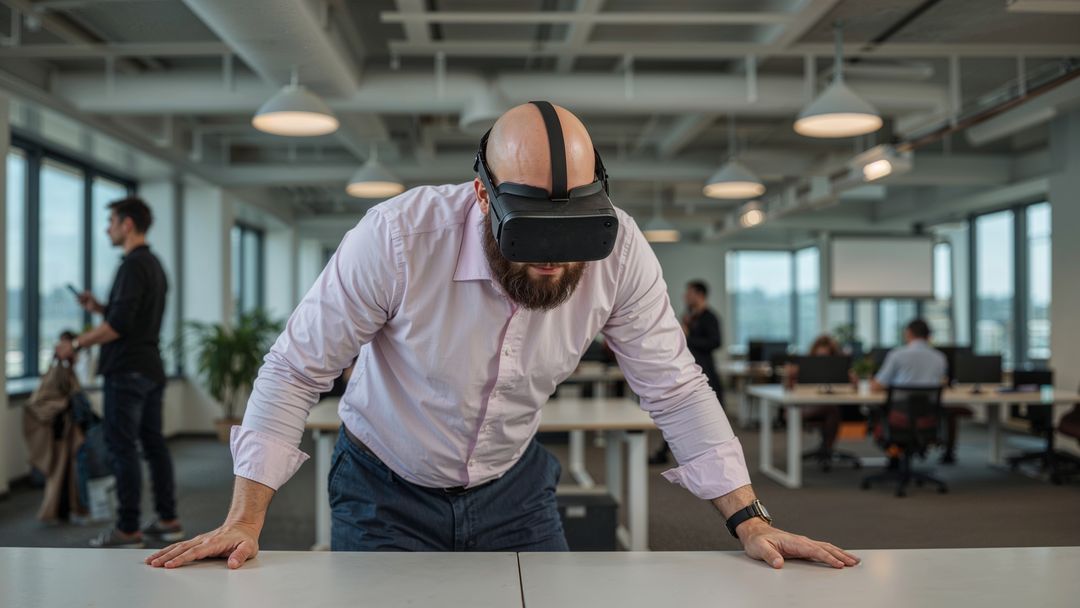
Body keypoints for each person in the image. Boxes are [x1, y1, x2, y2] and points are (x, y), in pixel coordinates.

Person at [147, 102, 858, 571]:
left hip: (512, 487)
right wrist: (245, 518)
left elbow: (674, 387)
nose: (553, 262)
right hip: (382, 487)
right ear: (484, 195)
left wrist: (750, 520)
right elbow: (294, 369)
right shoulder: (399, 237)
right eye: (531, 238)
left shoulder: (622, 250)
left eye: (571, 236)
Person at [55, 197, 180, 548]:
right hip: (150, 368)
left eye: (111, 221)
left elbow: (119, 327)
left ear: (127, 224)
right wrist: (100, 308)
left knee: (122, 448)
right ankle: (169, 520)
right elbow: (128, 318)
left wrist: (76, 345)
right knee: (153, 446)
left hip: (127, 370)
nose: (106, 228)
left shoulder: (132, 266)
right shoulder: (153, 264)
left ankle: (128, 529)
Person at [649, 280, 723, 465]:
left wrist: (689, 337)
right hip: (687, 371)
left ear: (699, 294)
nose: (685, 296)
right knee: (681, 415)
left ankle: (712, 461)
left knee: (707, 420)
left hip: (705, 374)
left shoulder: (709, 317)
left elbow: (715, 342)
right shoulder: (689, 316)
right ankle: (668, 453)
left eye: (689, 293)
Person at [871, 319, 960, 463]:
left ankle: (894, 456)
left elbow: (877, 385)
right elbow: (942, 382)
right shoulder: (940, 357)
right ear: (928, 335)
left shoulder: (897, 355)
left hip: (899, 416)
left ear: (908, 333)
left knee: (879, 412)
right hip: (929, 417)